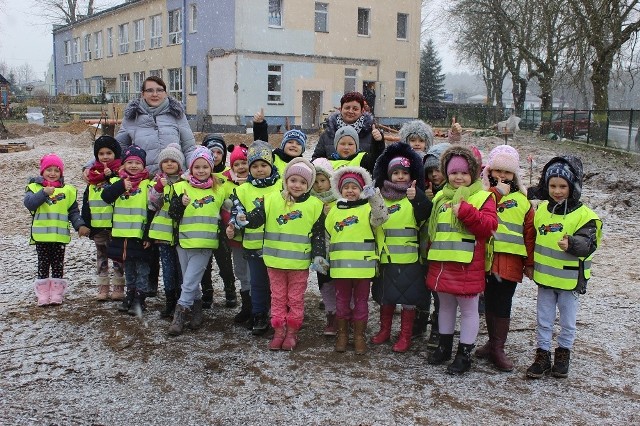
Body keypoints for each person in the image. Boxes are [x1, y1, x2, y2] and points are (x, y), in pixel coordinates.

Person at [525, 156, 601, 379]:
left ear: (572, 187)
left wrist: (573, 244)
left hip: (570, 280)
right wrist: (530, 265)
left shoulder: (584, 215)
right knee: (543, 319)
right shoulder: (542, 212)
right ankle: (542, 354)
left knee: (567, 321)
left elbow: (589, 242)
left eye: (563, 186)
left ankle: (563, 353)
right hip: (546, 279)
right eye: (552, 186)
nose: (557, 191)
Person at [238, 158, 326, 351]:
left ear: (309, 185)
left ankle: (292, 332)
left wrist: (318, 256)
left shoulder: (315, 205)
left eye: (303, 182)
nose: (297, 185)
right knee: (277, 297)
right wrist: (244, 219)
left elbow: (318, 235)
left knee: (295, 299)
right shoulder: (272, 200)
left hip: (299, 264)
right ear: (286, 181)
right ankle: (279, 331)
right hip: (274, 262)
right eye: (293, 180)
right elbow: (256, 218)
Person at [426, 146, 498, 375]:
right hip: (442, 262)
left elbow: (488, 227)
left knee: (468, 310)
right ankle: (444, 347)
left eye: (465, 173)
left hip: (468, 264)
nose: (459, 177)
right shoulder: (440, 197)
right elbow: (433, 230)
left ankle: (464, 353)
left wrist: (466, 211)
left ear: (474, 174)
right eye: (454, 172)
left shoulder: (482, 197)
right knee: (445, 307)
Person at [476, 145, 535, 372]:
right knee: (489, 301)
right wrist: (495, 192)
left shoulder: (522, 201)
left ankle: (498, 347)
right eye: (498, 171)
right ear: (489, 171)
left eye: (507, 173)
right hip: (486, 259)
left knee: (503, 303)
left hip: (510, 260)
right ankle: (492, 343)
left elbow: (529, 233)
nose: (502, 176)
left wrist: (529, 263)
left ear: (514, 175)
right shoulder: (483, 196)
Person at [370, 142, 432, 353]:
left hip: (409, 261)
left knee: (408, 301)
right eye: (395, 172)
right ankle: (384, 330)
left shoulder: (413, 197)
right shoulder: (380, 197)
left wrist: (419, 199)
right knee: (386, 298)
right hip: (386, 260)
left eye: (404, 173)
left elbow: (425, 216)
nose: (400, 176)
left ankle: (405, 335)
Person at [326, 166, 388, 355]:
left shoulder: (368, 209)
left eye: (355, 187)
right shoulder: (334, 211)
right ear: (340, 189)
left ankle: (359, 336)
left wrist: (374, 197)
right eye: (346, 187)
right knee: (341, 301)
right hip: (340, 267)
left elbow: (382, 217)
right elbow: (328, 236)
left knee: (361, 302)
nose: (351, 190)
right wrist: (325, 259)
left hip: (363, 267)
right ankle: (342, 334)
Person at [167, 147, 226, 336]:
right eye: (197, 167)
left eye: (205, 167)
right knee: (189, 280)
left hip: (204, 243)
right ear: (191, 168)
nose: (201, 171)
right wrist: (180, 204)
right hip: (183, 241)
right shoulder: (180, 187)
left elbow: (231, 208)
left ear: (211, 168)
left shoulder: (219, 189)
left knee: (190, 279)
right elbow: (173, 214)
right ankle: (197, 309)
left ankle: (181, 313)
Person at [228, 141, 282, 335]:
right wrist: (234, 224)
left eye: (264, 165)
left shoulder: (282, 187)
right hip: (253, 246)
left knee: (276, 284)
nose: (260, 170)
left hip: (278, 246)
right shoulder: (242, 190)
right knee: (258, 283)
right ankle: (259, 314)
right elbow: (237, 214)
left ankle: (278, 314)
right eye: (255, 166)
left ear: (271, 165)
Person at [25, 153, 90, 306]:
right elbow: (29, 204)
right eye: (49, 170)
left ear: (61, 173)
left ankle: (56, 293)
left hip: (60, 237)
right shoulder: (34, 187)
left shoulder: (67, 190)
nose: (52, 173)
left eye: (56, 170)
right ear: (42, 172)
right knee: (43, 263)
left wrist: (80, 225)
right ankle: (42, 294)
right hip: (41, 237)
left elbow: (73, 212)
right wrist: (43, 193)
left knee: (58, 264)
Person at [100, 145, 154, 316]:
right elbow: (106, 197)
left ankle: (140, 299)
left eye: (137, 163)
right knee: (128, 268)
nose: (133, 166)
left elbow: (153, 210)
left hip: (140, 236)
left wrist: (148, 235)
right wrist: (121, 185)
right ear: (123, 165)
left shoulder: (147, 185)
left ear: (144, 166)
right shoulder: (117, 183)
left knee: (142, 270)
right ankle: (129, 295)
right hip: (122, 236)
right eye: (129, 162)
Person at [114, 76, 196, 175]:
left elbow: (189, 148)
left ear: (165, 93)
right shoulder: (132, 116)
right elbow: (117, 148)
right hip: (144, 181)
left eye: (159, 90)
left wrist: (193, 171)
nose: (155, 94)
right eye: (149, 90)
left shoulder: (177, 115)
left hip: (176, 180)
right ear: (143, 94)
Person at [414, 141, 452, 346]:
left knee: (440, 293)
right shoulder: (423, 189)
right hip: (423, 248)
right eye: (430, 171)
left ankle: (437, 327)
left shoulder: (452, 193)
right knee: (422, 290)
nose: (434, 175)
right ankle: (420, 322)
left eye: (438, 170)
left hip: (442, 250)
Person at [81, 135, 124, 301]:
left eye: (109, 153)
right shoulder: (91, 177)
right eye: (101, 153)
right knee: (101, 257)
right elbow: (87, 201)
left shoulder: (120, 173)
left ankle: (119, 287)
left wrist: (110, 176)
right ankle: (103, 287)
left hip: (116, 225)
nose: (105, 156)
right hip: (98, 225)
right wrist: (85, 223)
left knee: (118, 257)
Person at [148, 143, 186, 318]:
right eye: (166, 161)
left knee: (181, 269)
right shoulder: (156, 182)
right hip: (163, 235)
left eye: (173, 161)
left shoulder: (185, 182)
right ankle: (170, 301)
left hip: (181, 235)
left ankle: (181, 300)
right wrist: (158, 189)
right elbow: (152, 205)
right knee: (168, 270)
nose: (169, 164)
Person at [200, 134, 237, 309]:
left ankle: (230, 291)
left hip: (222, 226)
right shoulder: (198, 172)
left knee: (224, 263)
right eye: (211, 151)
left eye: (218, 152)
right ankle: (207, 292)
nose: (214, 156)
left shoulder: (228, 175)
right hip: (204, 226)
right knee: (204, 264)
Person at [223, 144, 253, 324]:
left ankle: (255, 307)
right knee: (241, 272)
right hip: (235, 239)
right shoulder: (227, 184)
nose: (241, 167)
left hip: (253, 238)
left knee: (253, 274)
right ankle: (246, 306)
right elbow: (224, 208)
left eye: (244, 162)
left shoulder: (254, 184)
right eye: (237, 164)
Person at [312, 91, 384, 162]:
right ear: (341, 109)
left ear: (362, 111)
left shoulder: (372, 134)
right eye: (347, 108)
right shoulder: (328, 134)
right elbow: (317, 161)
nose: (350, 111)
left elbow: (380, 161)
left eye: (355, 109)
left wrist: (379, 142)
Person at [310, 158, 338, 335]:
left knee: (342, 284)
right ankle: (331, 315)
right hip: (320, 251)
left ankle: (345, 315)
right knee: (325, 284)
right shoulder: (310, 202)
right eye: (316, 181)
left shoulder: (340, 199)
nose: (320, 186)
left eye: (323, 180)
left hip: (339, 251)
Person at [252, 108, 307, 174]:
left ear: (302, 149)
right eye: (290, 142)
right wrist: (260, 125)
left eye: (298, 143)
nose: (294, 145)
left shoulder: (305, 166)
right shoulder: (273, 158)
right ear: (283, 145)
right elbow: (262, 146)